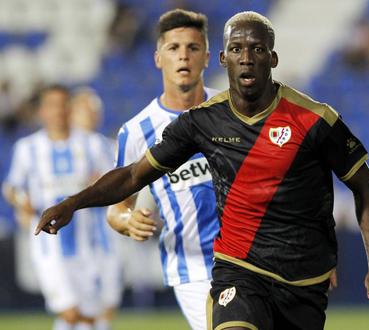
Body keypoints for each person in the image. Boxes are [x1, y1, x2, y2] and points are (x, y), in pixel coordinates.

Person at [35, 11, 369, 330]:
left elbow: (365, 188)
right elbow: (133, 176)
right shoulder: (203, 121)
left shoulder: (315, 119)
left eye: (256, 49)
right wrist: (72, 204)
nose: (247, 58)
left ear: (272, 57)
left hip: (301, 277)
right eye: (237, 49)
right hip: (230, 268)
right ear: (224, 58)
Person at [105, 9, 220, 330]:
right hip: (193, 269)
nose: (183, 56)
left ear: (207, 57)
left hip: (250, 258)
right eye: (173, 48)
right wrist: (129, 221)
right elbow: (117, 209)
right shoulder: (138, 131)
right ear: (158, 58)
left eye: (193, 48)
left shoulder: (232, 112)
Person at [3, 85, 106, 330]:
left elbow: (113, 179)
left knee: (89, 316)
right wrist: (21, 201)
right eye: (51, 105)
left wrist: (99, 182)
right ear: (42, 111)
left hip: (87, 243)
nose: (58, 110)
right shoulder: (28, 148)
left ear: (70, 109)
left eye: (62, 104)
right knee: (70, 312)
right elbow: (12, 187)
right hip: (48, 247)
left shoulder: (92, 144)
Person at [70, 87, 123, 330]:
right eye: (85, 108)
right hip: (76, 235)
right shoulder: (61, 146)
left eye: (94, 109)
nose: (91, 114)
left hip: (107, 233)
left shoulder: (108, 145)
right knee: (77, 305)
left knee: (109, 297)